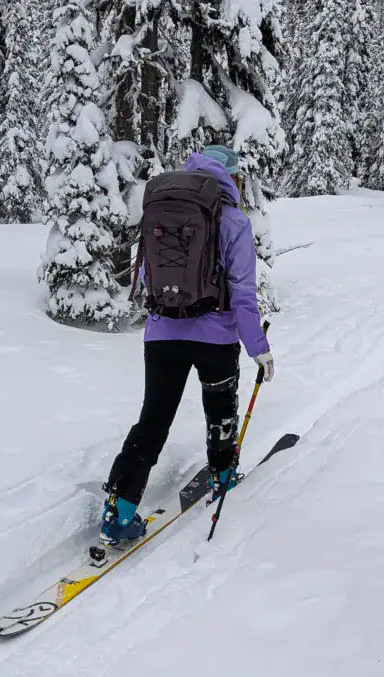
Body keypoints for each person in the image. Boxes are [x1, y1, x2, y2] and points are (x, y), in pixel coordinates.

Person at [98, 145, 275, 547]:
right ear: (232, 176)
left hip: (162, 335)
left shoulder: (161, 208)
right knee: (220, 414)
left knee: (153, 421)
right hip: (215, 339)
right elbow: (244, 295)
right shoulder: (233, 220)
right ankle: (223, 477)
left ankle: (119, 511)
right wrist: (259, 348)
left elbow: (145, 274)